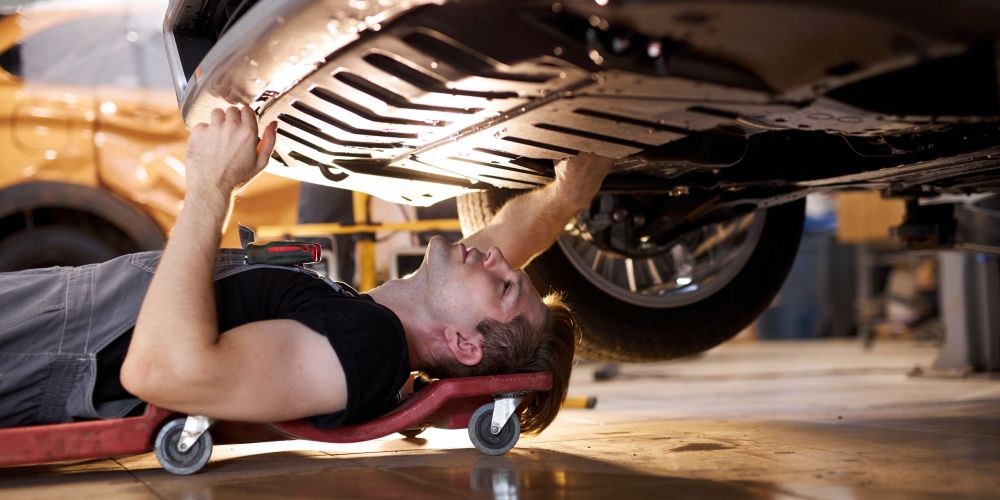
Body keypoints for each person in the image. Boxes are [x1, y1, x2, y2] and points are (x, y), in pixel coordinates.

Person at [0, 106, 613, 435]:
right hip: (50, 322)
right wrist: (565, 199)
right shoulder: (369, 318)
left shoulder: (369, 349)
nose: (500, 258)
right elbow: (509, 239)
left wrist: (212, 191)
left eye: (506, 286)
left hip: (40, 353)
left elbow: (161, 372)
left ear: (460, 343)